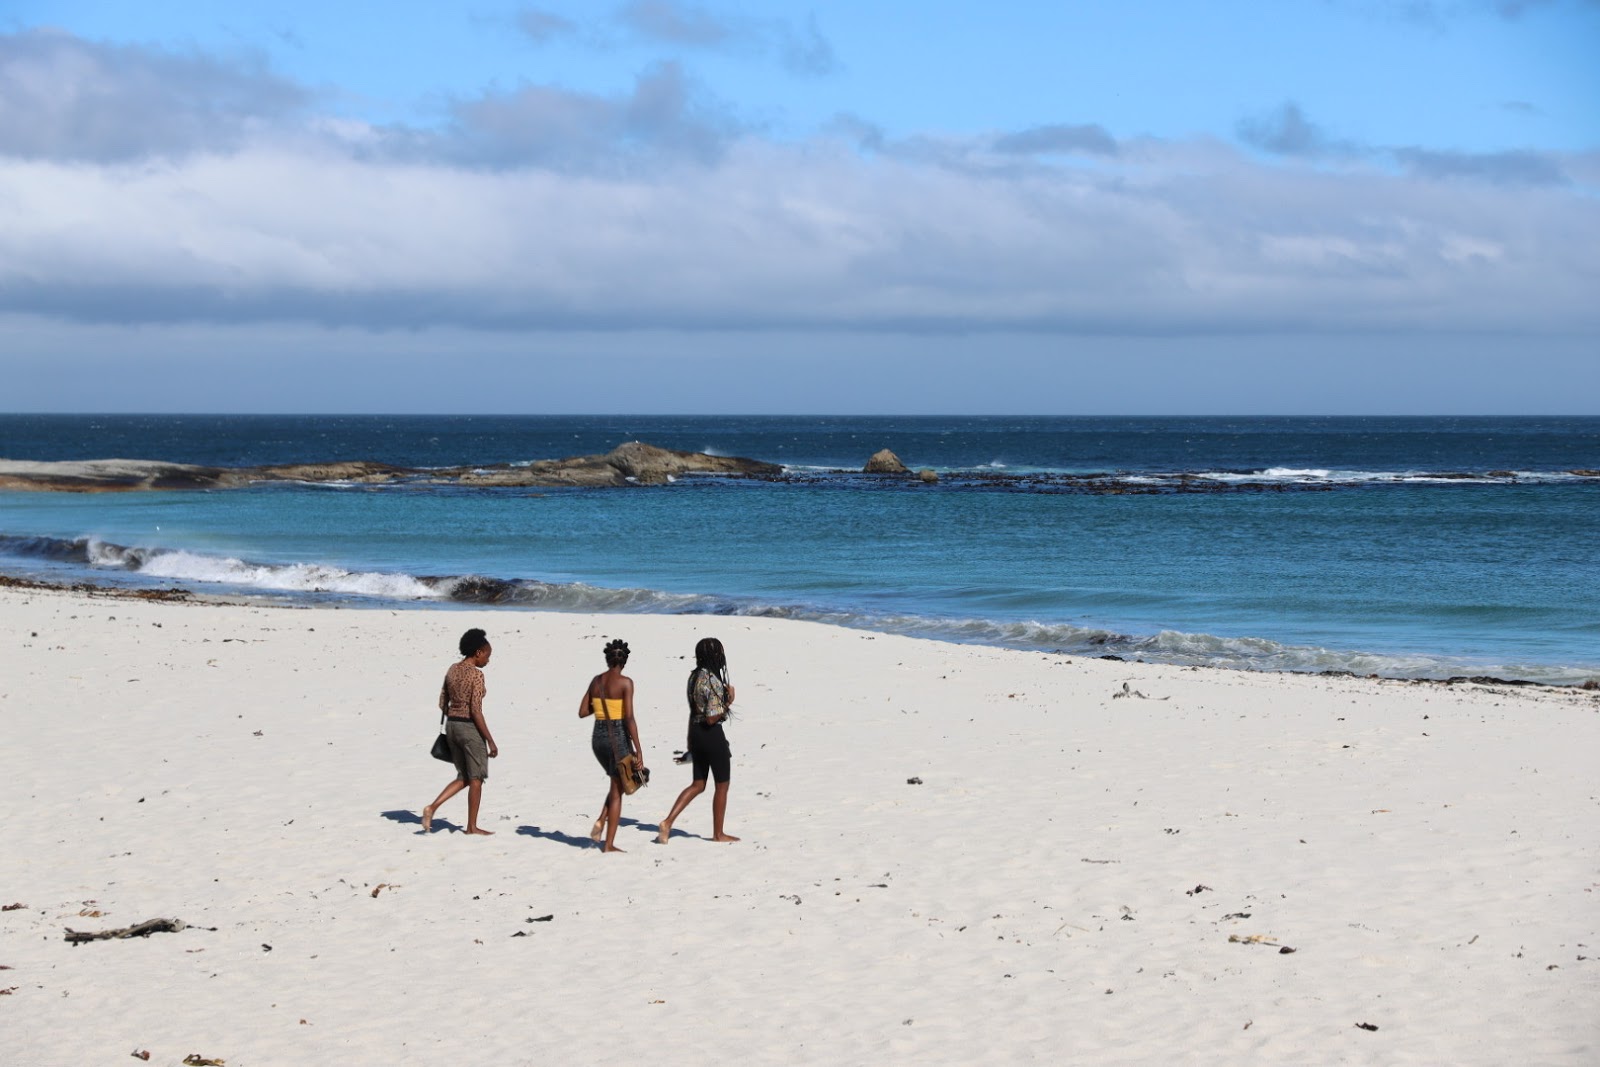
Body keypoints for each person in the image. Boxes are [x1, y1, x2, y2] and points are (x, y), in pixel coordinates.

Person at [657, 636, 739, 844]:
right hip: (711, 736)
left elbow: (695, 711)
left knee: (698, 784)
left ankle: (667, 822)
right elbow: (712, 717)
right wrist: (728, 701)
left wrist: (690, 743)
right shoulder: (711, 680)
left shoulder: (694, 677)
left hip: (696, 732)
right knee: (722, 785)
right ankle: (718, 834)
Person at [421, 628, 499, 835]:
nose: (488, 661)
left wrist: (455, 715)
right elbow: (476, 711)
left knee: (464, 776)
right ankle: (472, 827)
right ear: (478, 652)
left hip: (451, 726)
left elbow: (442, 703)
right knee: (476, 779)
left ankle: (432, 807)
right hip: (468, 728)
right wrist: (490, 740)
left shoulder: (453, 669)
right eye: (487, 656)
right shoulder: (476, 675)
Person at [579, 638, 646, 853]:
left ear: (608, 660)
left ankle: (601, 820)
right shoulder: (626, 683)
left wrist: (602, 706)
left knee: (617, 783)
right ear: (624, 661)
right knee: (619, 790)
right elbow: (629, 718)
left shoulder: (596, 681)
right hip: (617, 738)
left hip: (597, 739)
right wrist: (638, 748)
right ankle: (608, 844)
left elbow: (582, 711)